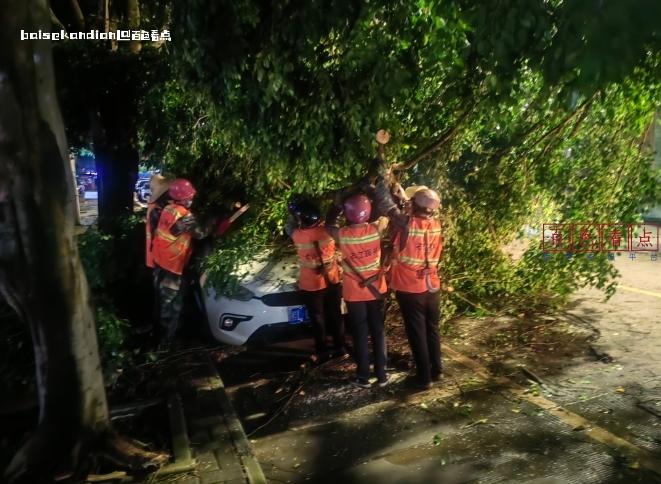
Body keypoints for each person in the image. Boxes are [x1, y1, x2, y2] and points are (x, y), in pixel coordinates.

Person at [374, 176, 443, 390]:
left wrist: (380, 182)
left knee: (416, 332)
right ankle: (436, 369)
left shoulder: (406, 224)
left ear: (414, 205)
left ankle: (423, 378)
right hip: (432, 285)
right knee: (431, 329)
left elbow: (385, 204)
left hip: (410, 287)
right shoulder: (437, 224)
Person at [326, 194, 389, 388]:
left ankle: (363, 376)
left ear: (348, 214)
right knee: (378, 331)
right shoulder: (376, 229)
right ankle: (382, 375)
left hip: (354, 292)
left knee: (360, 333)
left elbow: (329, 225)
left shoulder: (342, 234)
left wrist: (336, 206)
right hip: (374, 289)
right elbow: (386, 215)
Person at [152, 178, 211, 345]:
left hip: (160, 263)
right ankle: (167, 347)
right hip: (172, 268)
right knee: (171, 309)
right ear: (183, 198)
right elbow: (201, 233)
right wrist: (213, 221)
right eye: (190, 196)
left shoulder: (168, 209)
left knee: (162, 306)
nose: (191, 199)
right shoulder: (185, 216)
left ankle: (161, 340)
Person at [286, 199, 346, 362]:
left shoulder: (298, 235)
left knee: (318, 318)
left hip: (311, 284)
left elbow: (289, 225)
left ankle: (322, 351)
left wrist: (292, 210)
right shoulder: (328, 230)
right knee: (335, 314)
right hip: (332, 279)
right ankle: (340, 347)